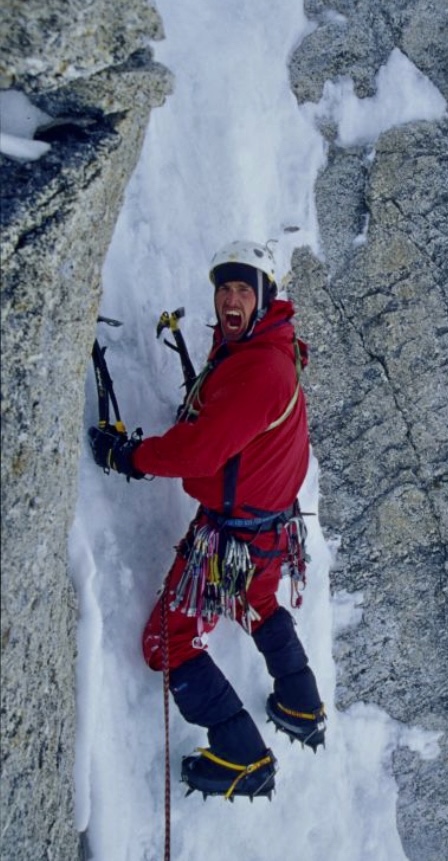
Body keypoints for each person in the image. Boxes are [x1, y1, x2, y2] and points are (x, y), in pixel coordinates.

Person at [88, 240, 325, 800]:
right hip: (267, 528)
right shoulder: (266, 347)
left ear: (264, 297)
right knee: (257, 602)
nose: (230, 300)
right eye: (224, 289)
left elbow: (200, 452)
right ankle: (300, 705)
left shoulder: (261, 367)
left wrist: (129, 457)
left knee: (169, 642)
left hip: (234, 535)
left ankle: (243, 758)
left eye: (244, 289)